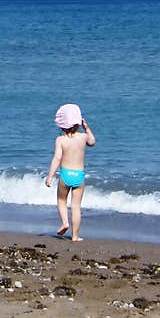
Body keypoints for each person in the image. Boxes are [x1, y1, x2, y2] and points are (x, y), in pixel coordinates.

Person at [45, 103, 96, 241]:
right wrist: (86, 128)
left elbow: (57, 158)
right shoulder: (83, 137)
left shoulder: (60, 140)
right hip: (79, 176)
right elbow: (92, 142)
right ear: (78, 123)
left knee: (61, 201)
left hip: (65, 175)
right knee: (76, 207)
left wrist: (50, 176)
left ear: (62, 125)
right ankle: (75, 236)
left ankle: (65, 223)